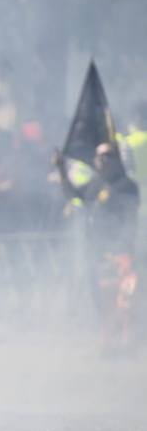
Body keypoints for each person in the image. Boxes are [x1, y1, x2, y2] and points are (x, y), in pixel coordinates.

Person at [57, 143, 139, 342]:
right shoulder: (96, 184)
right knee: (101, 296)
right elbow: (76, 197)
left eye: (107, 157)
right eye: (99, 157)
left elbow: (126, 217)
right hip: (98, 250)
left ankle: (125, 341)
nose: (101, 161)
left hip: (119, 250)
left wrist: (120, 245)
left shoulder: (126, 185)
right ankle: (107, 339)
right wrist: (61, 170)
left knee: (122, 298)